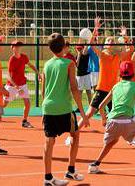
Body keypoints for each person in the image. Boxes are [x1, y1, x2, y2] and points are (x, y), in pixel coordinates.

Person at [42, 33, 89, 185]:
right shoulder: (69, 64)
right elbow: (75, 89)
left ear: (50, 48)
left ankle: (48, 178)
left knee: (49, 142)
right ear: (64, 47)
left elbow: (43, 90)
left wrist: (46, 105)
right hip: (64, 108)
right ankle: (70, 170)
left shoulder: (47, 65)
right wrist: (83, 113)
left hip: (48, 107)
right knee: (75, 135)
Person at [6, 40, 40, 128]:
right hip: (12, 85)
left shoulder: (24, 57)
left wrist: (38, 74)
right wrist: (16, 87)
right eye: (16, 46)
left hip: (22, 84)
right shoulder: (12, 60)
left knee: (27, 103)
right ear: (12, 48)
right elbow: (8, 76)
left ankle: (24, 121)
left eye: (19, 46)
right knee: (4, 104)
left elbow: (31, 65)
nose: (18, 48)